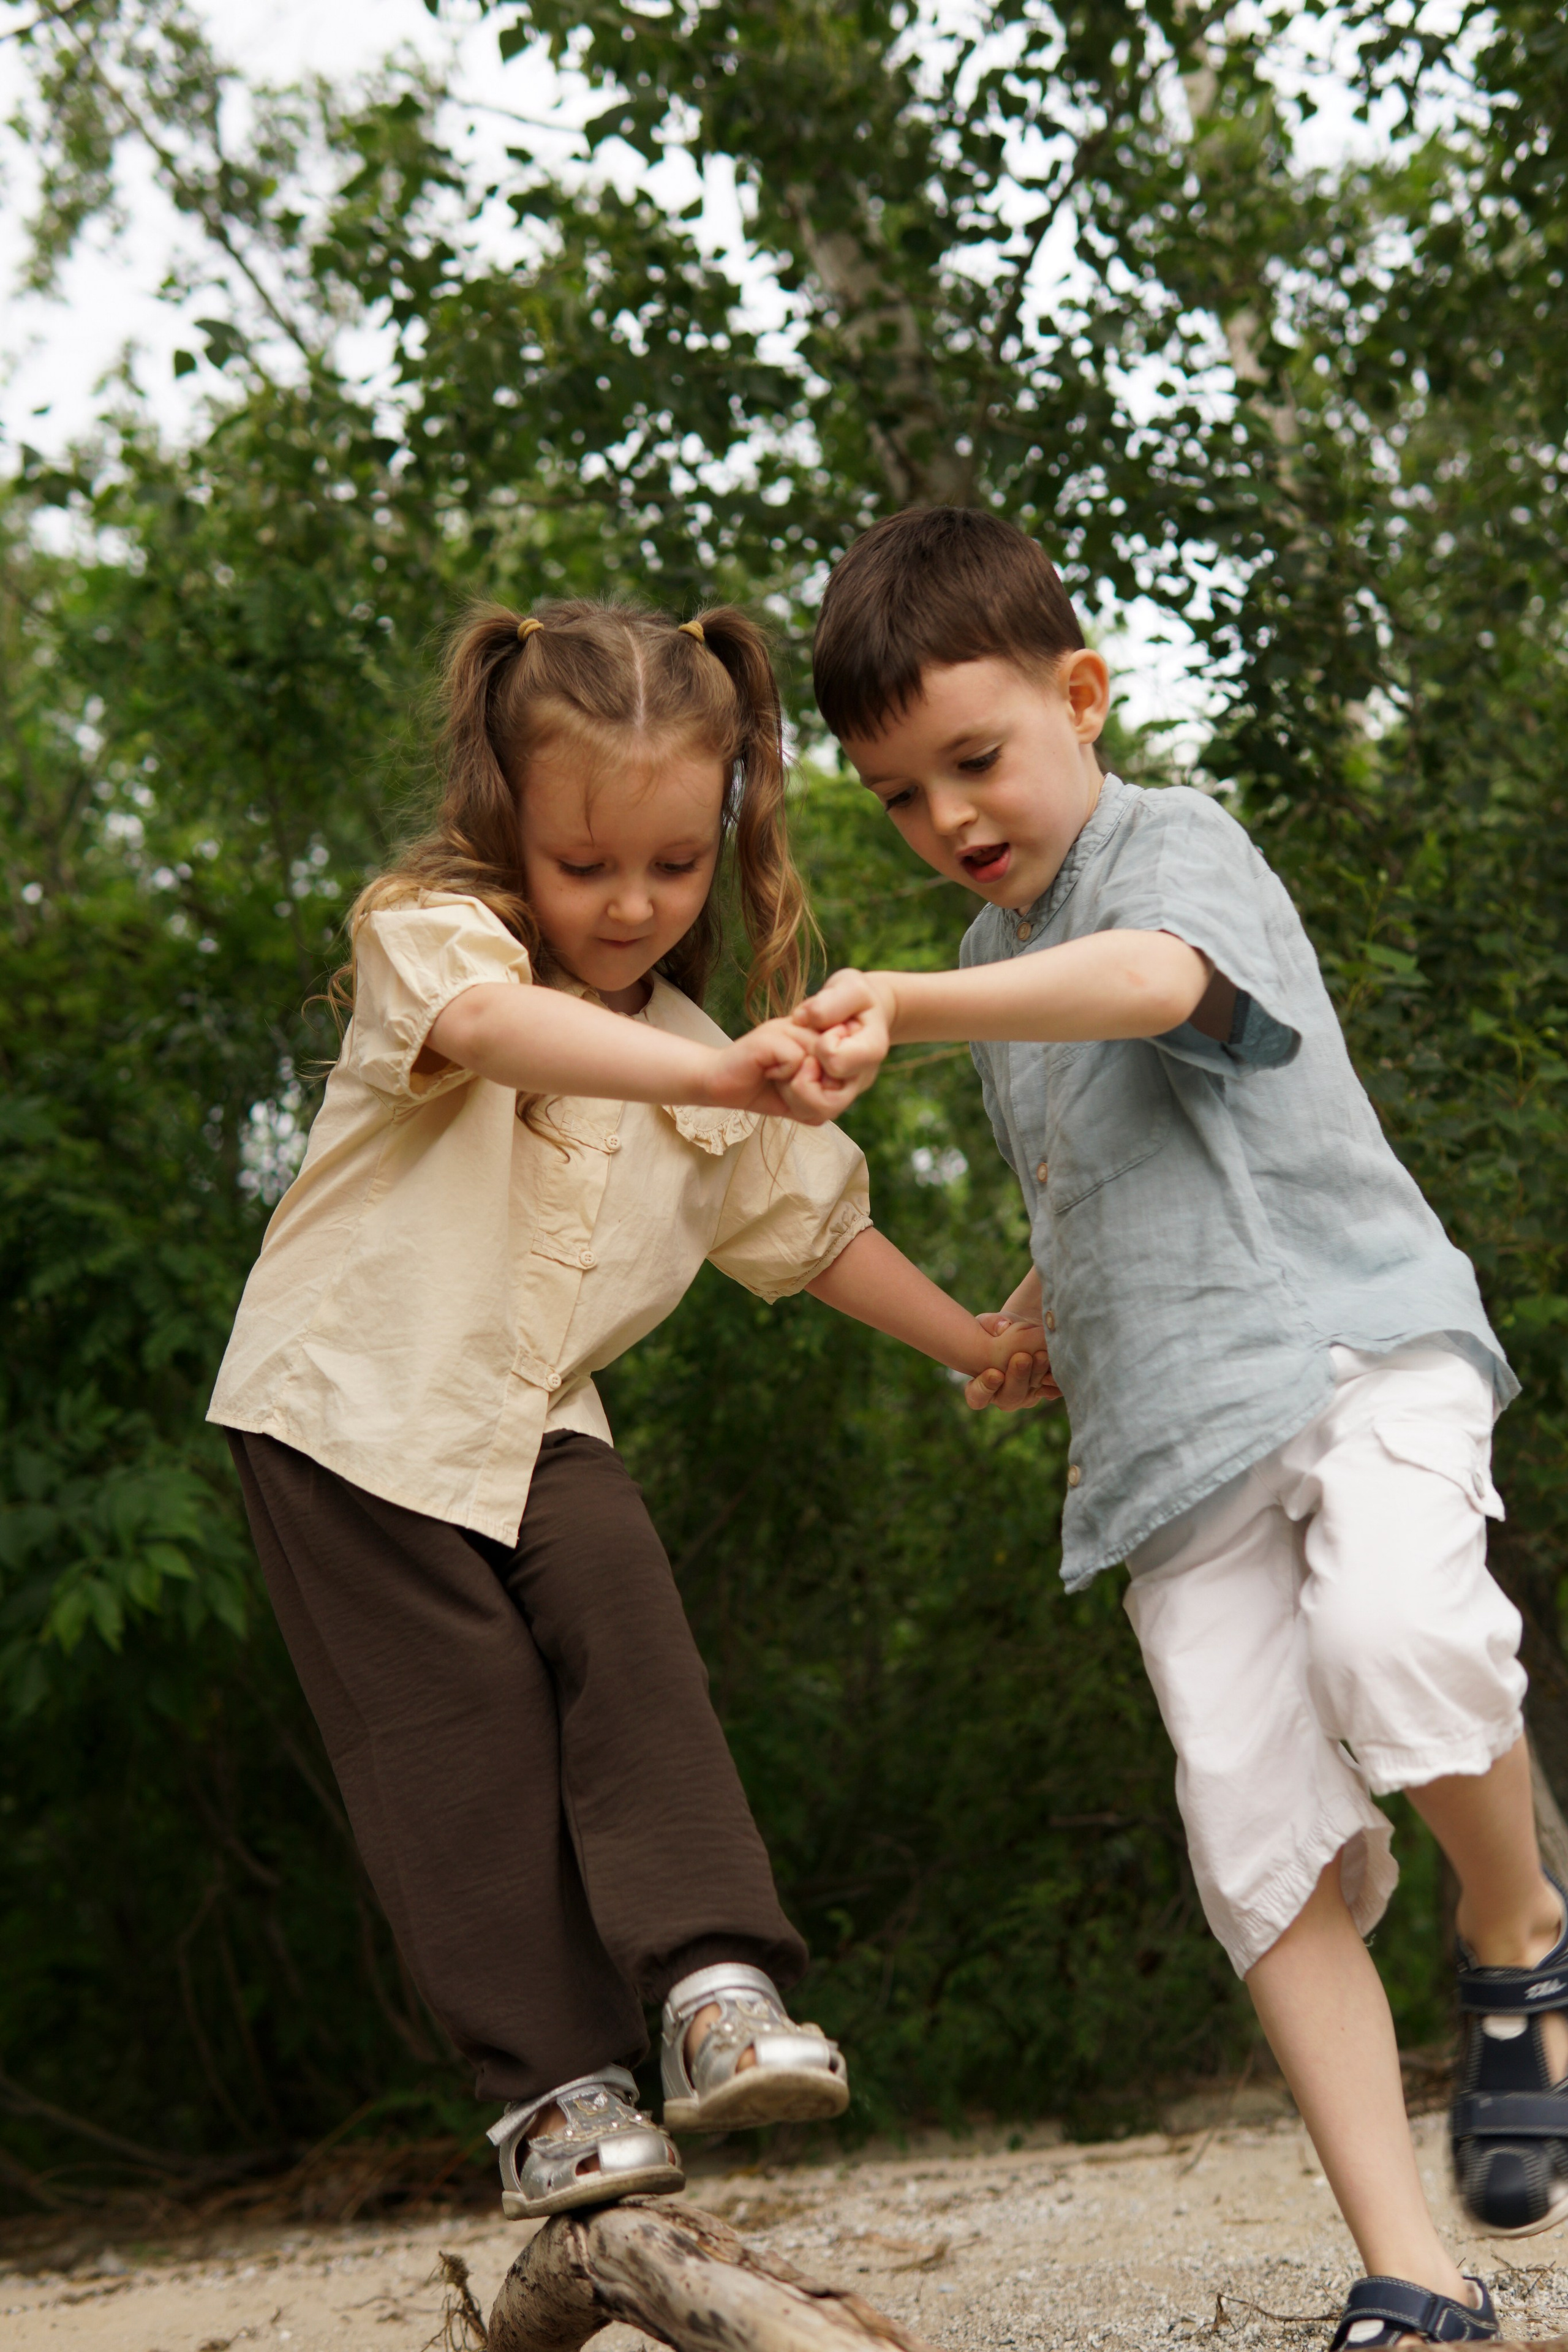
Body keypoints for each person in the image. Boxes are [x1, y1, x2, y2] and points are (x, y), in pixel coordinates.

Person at [793, 506, 1564, 2351]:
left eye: (974, 759)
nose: (951, 820)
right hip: (1167, 1449)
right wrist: (1029, 1329)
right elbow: (1089, 1174)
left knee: (1404, 1637)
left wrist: (898, 1006)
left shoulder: (1171, 845)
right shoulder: (992, 988)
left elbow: (1159, 988)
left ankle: (1519, 1927)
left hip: (1351, 1347)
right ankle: (1415, 2271)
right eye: (900, 797)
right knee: (1255, 1837)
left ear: (1081, 693)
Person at [209, 597, 1048, 2221]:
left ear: (721, 829)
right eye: (585, 867)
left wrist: (972, 1342)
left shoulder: (697, 1054)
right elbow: (489, 1032)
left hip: (536, 1424)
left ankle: (717, 1986)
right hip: (346, 1415)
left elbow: (815, 1232)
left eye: (672, 867)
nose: (630, 904)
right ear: (503, 819)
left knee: (632, 1629)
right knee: (460, 1741)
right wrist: (718, 1077)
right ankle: (549, 2092)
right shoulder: (433, 937)